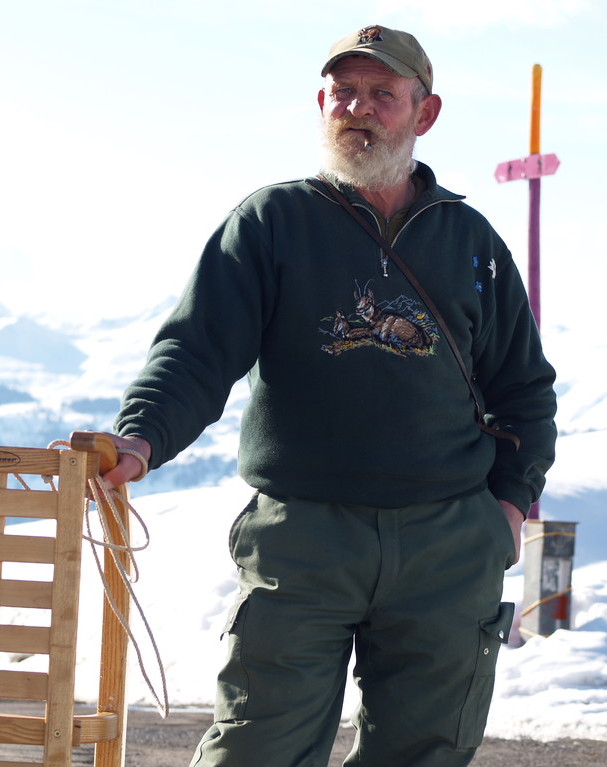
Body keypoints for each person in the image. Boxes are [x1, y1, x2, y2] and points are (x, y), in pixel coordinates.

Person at [104, 24, 558, 767]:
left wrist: (506, 506)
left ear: (424, 112)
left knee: (423, 754)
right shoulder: (271, 223)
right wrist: (141, 436)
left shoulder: (471, 241)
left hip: (447, 542)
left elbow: (524, 390)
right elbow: (195, 350)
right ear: (321, 103)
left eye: (381, 94)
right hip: (303, 538)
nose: (357, 108)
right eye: (342, 92)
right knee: (257, 749)